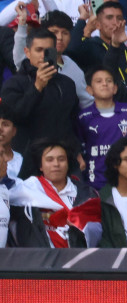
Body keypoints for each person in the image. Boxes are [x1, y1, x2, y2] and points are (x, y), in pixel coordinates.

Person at [1, 27, 80, 178]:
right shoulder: (13, 84)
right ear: (27, 52)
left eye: (48, 50)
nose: (44, 56)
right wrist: (37, 87)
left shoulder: (67, 84)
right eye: (39, 50)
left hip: (63, 161)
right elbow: (15, 117)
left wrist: (77, 152)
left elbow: (72, 121)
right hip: (26, 163)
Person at [6, 138, 100, 248]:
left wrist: (76, 223)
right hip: (39, 261)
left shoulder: (87, 194)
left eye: (61, 159)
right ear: (41, 166)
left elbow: (97, 234)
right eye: (49, 160)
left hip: (77, 260)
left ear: (68, 163)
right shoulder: (25, 189)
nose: (56, 164)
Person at [77, 66, 127, 191]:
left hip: (126, 183)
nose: (105, 84)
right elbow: (81, 151)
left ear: (115, 88)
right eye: (99, 81)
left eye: (109, 80)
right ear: (89, 90)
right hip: (96, 185)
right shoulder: (84, 117)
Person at [13, 8, 93, 109]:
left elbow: (86, 102)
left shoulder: (73, 66)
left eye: (65, 33)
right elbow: (19, 54)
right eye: (54, 32)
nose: (59, 37)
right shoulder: (30, 62)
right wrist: (22, 24)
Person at [67, 2, 127, 91]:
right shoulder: (90, 47)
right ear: (98, 24)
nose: (115, 22)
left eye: (119, 18)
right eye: (109, 18)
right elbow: (71, 49)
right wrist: (83, 18)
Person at [0, 103, 22, 180]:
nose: (0, 129)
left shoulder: (22, 161)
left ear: (14, 131)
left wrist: (4, 178)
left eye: (5, 125)